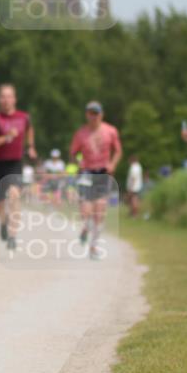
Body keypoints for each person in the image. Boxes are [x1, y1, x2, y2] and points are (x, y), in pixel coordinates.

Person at [0, 83, 37, 251]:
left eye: (9, 96)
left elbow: (29, 130)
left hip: (14, 163)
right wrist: (5, 138)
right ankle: (4, 224)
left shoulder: (24, 117)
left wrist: (31, 146)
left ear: (14, 99)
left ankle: (13, 235)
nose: (6, 100)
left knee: (14, 195)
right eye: (3, 96)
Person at [69, 101, 122, 260]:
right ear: (87, 115)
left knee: (99, 211)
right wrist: (77, 161)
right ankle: (86, 227)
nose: (93, 116)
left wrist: (112, 163)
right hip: (86, 172)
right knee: (86, 211)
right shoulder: (80, 134)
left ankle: (94, 246)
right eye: (90, 113)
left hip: (103, 172)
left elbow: (118, 151)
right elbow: (73, 153)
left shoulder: (110, 131)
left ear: (101, 114)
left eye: (96, 113)